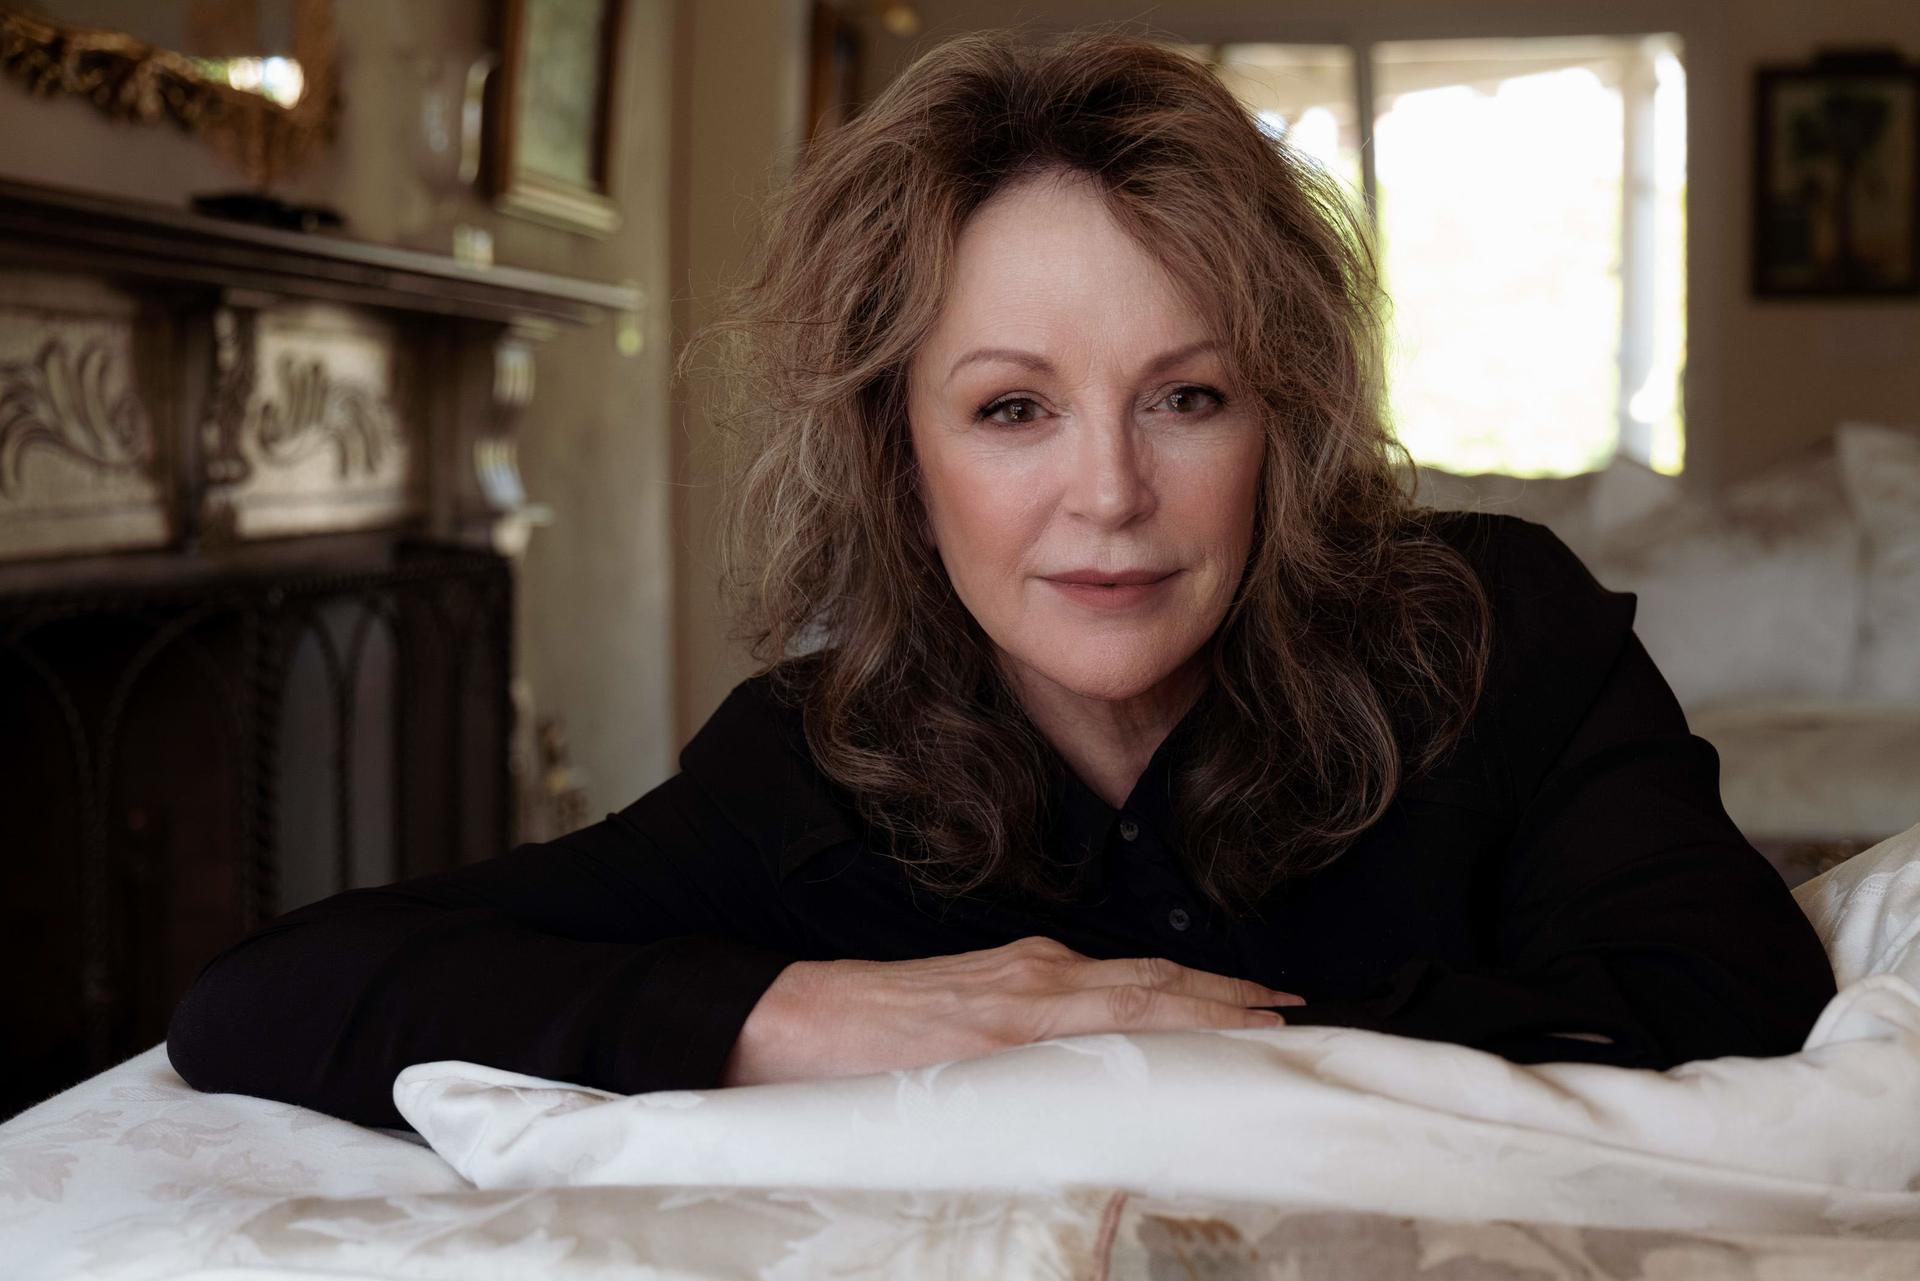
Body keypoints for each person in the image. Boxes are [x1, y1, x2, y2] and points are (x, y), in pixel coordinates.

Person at [166, 27, 1836, 1131]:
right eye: (1013, 408)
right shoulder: (811, 767)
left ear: (1282, 420)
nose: (1108, 493)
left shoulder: (1495, 633)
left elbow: (1736, 995)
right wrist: (792, 1015)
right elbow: (262, 998)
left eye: (1188, 397)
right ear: (901, 452)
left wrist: (1150, 1042)